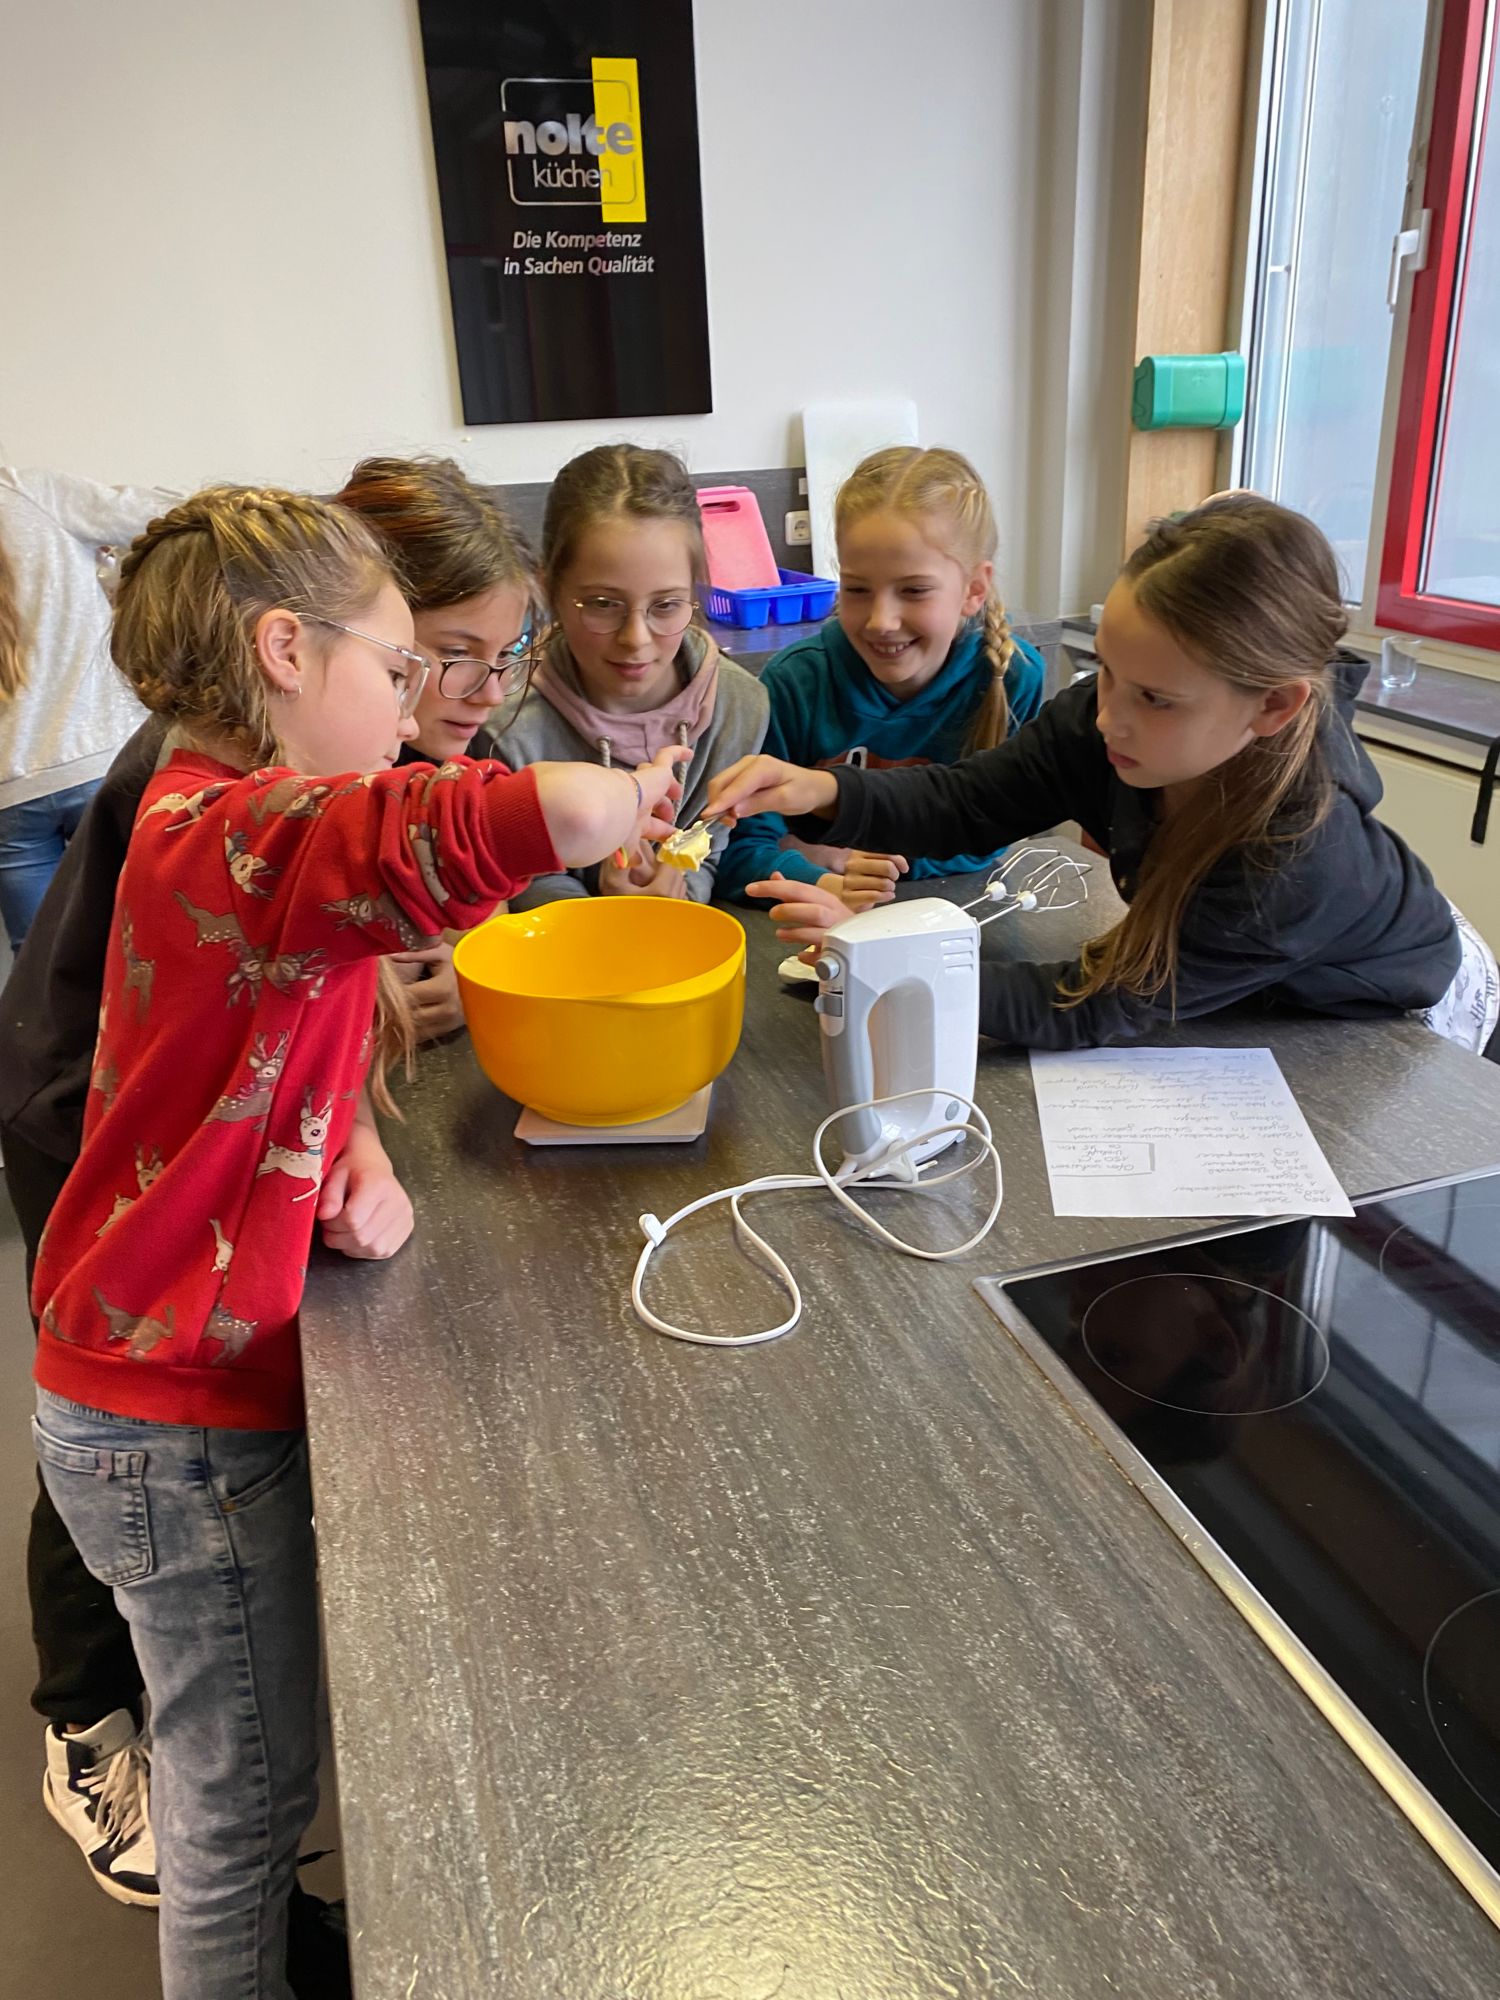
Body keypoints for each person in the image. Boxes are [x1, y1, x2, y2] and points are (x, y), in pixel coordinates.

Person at [27, 485, 680, 2000]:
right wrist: (618, 798)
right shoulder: (249, 830)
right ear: (281, 651)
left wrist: (347, 1151)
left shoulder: (204, 820)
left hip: (137, 1391)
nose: (410, 711)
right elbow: (526, 817)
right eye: (396, 673)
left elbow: (262, 1041)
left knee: (252, 1775)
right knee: (240, 1811)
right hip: (174, 1427)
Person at [709, 495, 1474, 1049]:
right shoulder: (1106, 723)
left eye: (1156, 699)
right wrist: (825, 791)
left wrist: (882, 958)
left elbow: (1085, 1004)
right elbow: (971, 800)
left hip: (1402, 1016)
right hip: (1267, 982)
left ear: (1272, 707)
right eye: (1105, 672)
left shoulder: (1296, 862)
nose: (1109, 716)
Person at [715, 446, 1044, 915]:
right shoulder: (796, 682)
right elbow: (736, 849)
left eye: (913, 590)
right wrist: (825, 879)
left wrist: (875, 864)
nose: (881, 621)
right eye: (857, 589)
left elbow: (994, 831)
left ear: (974, 589)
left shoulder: (1012, 677)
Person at [489, 443, 767, 907]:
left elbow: (710, 846)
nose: (635, 638)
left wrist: (678, 895)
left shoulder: (740, 705)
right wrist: (602, 910)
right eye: (602, 604)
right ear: (550, 589)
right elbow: (516, 875)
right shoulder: (504, 718)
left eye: (666, 605)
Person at [0, 469, 174, 948]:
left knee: (39, 970)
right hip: (103, 761)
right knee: (140, 947)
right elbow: (177, 514)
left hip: (8, 798)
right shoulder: (28, 494)